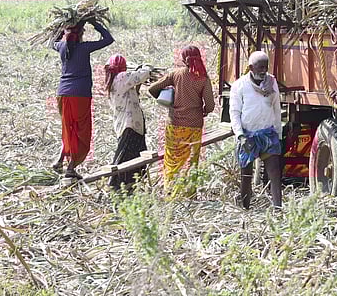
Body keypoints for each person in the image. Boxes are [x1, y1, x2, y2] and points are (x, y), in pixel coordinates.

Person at [49, 20, 114, 180]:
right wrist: (94, 22)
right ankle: (71, 167)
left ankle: (58, 162)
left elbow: (52, 42)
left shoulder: (61, 47)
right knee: (80, 132)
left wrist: (62, 27)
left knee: (68, 129)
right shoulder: (84, 48)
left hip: (62, 94)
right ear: (81, 34)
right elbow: (108, 39)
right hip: (80, 95)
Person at [148, 45, 215, 197]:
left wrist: (167, 101)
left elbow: (152, 89)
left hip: (174, 124)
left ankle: (171, 191)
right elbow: (210, 105)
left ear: (184, 59)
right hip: (194, 126)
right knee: (191, 160)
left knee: (173, 158)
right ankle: (188, 194)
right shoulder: (203, 78)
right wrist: (204, 111)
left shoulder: (174, 74)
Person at [231, 51, 283, 209]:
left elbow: (276, 108)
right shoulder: (239, 86)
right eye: (260, 67)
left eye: (265, 67)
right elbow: (235, 113)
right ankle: (245, 208)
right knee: (246, 175)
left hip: (268, 133)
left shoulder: (271, 83)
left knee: (274, 173)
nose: (263, 71)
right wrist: (240, 135)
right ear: (251, 67)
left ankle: (277, 209)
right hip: (247, 136)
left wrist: (278, 133)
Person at [103, 54, 154, 192]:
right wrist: (147, 67)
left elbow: (133, 88)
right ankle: (115, 185)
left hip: (125, 123)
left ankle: (128, 185)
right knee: (127, 157)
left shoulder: (112, 80)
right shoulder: (121, 77)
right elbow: (141, 75)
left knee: (131, 155)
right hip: (130, 124)